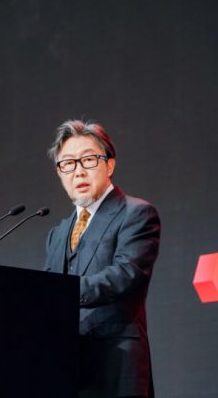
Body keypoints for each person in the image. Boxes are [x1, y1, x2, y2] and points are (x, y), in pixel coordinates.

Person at [43, 120, 161, 398]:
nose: (78, 171)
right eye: (68, 164)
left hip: (115, 365)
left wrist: (63, 294)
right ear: (60, 173)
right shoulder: (57, 234)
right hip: (65, 369)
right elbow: (46, 294)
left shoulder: (136, 213)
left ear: (109, 165)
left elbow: (125, 274)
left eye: (88, 159)